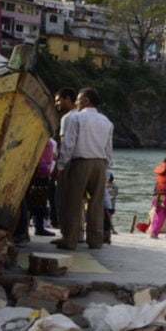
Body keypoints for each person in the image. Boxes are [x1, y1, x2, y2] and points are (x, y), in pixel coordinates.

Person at [55, 87, 114, 250]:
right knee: (96, 203)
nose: (76, 103)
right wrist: (106, 166)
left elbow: (69, 144)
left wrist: (61, 165)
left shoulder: (77, 118)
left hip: (80, 162)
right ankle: (95, 240)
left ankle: (70, 240)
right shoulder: (106, 121)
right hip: (100, 163)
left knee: (73, 202)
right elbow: (109, 148)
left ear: (86, 101)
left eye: (78, 100)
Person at [50, 87, 78, 240]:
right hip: (80, 162)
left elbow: (65, 144)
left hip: (68, 163)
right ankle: (77, 234)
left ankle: (66, 235)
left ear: (68, 98)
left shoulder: (68, 118)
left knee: (62, 199)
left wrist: (60, 166)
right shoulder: (82, 116)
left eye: (58, 100)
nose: (56, 104)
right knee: (77, 201)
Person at [28, 138, 56, 237]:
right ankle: (37, 227)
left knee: (39, 202)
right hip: (38, 173)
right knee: (36, 201)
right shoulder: (46, 140)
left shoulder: (50, 142)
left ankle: (37, 227)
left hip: (41, 173)